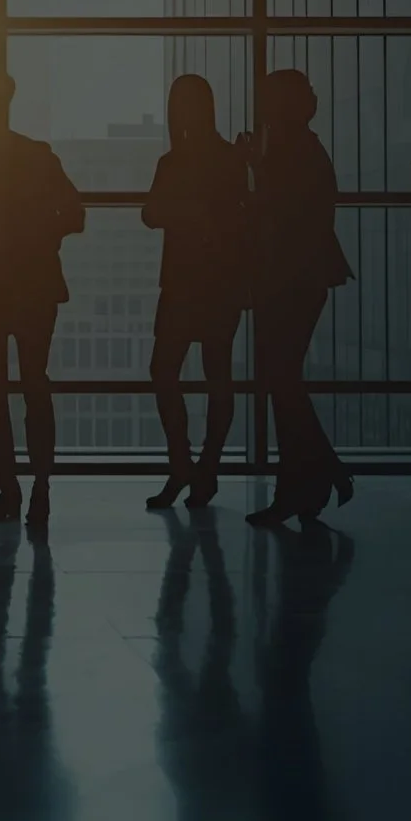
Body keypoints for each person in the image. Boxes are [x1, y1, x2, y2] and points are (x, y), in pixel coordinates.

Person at [0, 62, 85, 527]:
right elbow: (74, 212)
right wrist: (38, 238)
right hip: (30, 285)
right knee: (32, 385)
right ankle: (38, 489)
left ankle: (10, 491)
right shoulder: (35, 156)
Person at [246, 68, 354, 529]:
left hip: (290, 279)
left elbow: (282, 213)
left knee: (281, 381)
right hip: (299, 277)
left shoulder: (293, 151)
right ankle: (310, 482)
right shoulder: (303, 148)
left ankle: (315, 476)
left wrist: (257, 167)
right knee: (283, 381)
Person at [140, 74, 250, 510]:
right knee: (209, 374)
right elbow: (152, 213)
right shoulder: (216, 159)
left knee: (179, 371)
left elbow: (152, 213)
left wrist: (182, 213)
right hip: (207, 281)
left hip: (197, 280)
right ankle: (199, 467)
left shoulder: (182, 161)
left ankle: (191, 466)